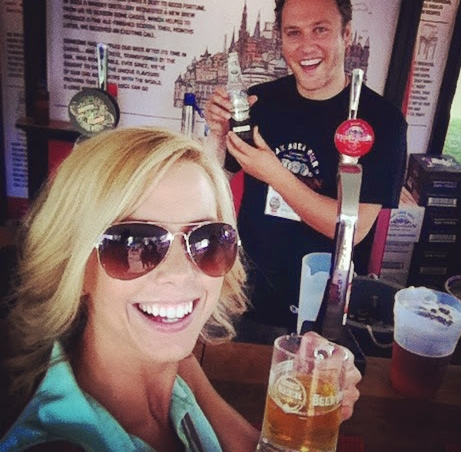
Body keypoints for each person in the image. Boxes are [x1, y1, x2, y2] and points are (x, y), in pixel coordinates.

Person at [0, 127, 361, 451]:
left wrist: (300, 420)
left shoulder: (167, 369)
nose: (180, 272)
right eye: (133, 243)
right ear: (74, 267)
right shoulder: (60, 442)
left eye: (206, 238)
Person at [205, 0, 407, 335]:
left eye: (320, 30)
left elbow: (352, 229)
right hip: (248, 294)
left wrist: (275, 174)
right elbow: (213, 181)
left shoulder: (382, 121)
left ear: (346, 34)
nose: (306, 46)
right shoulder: (261, 101)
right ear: (280, 39)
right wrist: (217, 136)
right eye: (293, 33)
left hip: (326, 305)